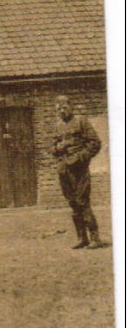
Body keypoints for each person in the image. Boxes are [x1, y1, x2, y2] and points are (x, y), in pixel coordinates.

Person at [52, 96, 105, 249]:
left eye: (65, 107)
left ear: (71, 107)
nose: (62, 111)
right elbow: (53, 147)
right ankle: (82, 238)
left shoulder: (81, 121)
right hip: (64, 169)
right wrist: (57, 149)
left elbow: (95, 143)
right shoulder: (58, 126)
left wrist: (80, 158)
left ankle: (95, 238)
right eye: (59, 108)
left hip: (79, 169)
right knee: (73, 202)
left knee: (83, 201)